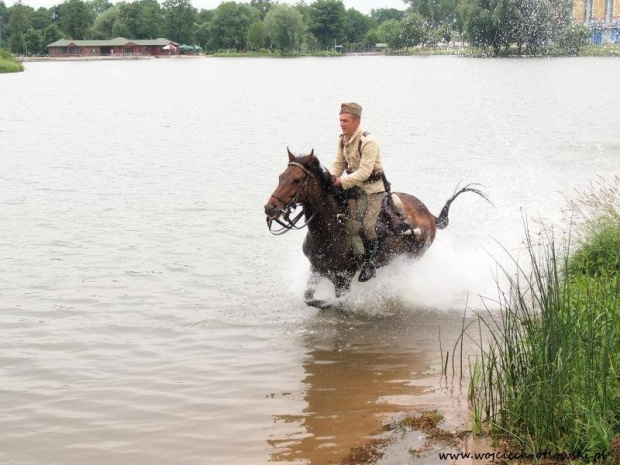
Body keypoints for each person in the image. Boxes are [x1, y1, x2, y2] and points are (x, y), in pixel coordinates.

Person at [329, 102, 385, 282]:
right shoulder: (342, 139)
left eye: (345, 120)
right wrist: (330, 179)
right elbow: (339, 164)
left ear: (356, 121)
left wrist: (341, 181)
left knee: (367, 226)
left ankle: (369, 263)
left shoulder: (368, 141)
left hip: (372, 191)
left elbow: (364, 172)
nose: (341, 124)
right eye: (340, 120)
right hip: (353, 189)